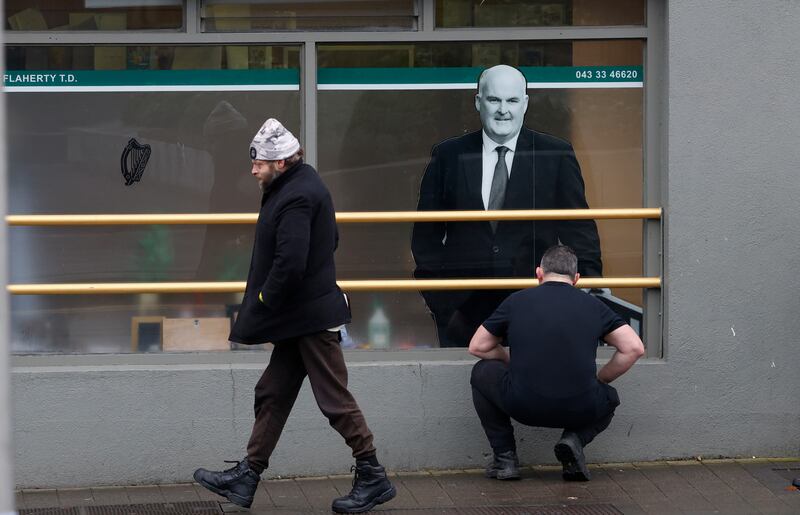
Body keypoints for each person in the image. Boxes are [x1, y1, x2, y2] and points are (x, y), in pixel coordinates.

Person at [193, 119, 396, 513]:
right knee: (272, 392)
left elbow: (291, 261)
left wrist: (267, 299)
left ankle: (373, 476)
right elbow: (330, 240)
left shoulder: (297, 195)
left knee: (334, 399)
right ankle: (247, 476)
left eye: (259, 163)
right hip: (299, 317)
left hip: (310, 319)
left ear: (282, 162)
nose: (253, 169)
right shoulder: (298, 184)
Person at [411, 64, 602, 347]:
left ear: (525, 104)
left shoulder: (555, 154)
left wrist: (583, 293)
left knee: (533, 386)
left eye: (512, 100)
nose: (503, 110)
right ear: (478, 102)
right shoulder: (449, 155)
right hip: (463, 312)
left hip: (539, 307)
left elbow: (580, 231)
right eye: (494, 100)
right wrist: (443, 305)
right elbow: (425, 237)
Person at [468, 245, 644, 481]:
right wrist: (601, 379)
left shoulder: (516, 301)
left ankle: (505, 459)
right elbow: (634, 348)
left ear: (539, 273)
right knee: (609, 396)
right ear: (576, 279)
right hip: (579, 407)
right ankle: (574, 439)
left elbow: (477, 346)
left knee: (481, 372)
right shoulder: (594, 306)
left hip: (522, 405)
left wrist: (509, 360)